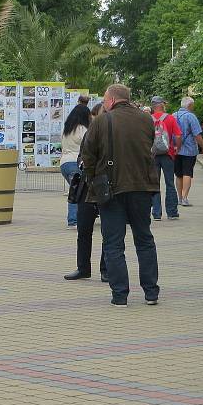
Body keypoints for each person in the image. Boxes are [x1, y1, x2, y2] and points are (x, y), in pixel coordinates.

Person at [81, 84, 160, 307]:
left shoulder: (102, 121)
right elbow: (150, 147)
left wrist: (92, 177)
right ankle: (151, 292)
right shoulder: (146, 119)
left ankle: (120, 295)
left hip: (111, 189)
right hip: (142, 188)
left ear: (112, 100)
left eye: (105, 100)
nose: (104, 104)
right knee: (144, 239)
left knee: (113, 244)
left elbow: (88, 154)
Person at [64, 102, 107, 282]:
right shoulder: (88, 132)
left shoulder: (112, 134)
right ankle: (83, 267)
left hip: (107, 186)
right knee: (84, 228)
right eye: (94, 116)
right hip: (88, 186)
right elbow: (83, 156)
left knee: (108, 230)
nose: (95, 119)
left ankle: (106, 269)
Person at [150, 96, 182, 221]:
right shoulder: (170, 118)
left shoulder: (148, 119)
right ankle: (172, 212)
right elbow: (178, 135)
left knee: (154, 183)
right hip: (168, 154)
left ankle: (157, 213)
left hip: (153, 156)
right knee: (169, 183)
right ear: (162, 104)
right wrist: (176, 148)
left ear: (152, 106)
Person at [60, 105, 90, 228]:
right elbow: (88, 145)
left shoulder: (67, 130)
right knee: (77, 191)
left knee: (74, 190)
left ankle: (75, 218)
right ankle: (73, 220)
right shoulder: (82, 129)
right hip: (75, 163)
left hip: (64, 163)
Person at [173, 96, 203, 207]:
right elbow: (197, 134)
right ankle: (185, 197)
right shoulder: (191, 117)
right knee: (187, 173)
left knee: (178, 174)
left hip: (176, 150)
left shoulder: (173, 115)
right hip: (189, 150)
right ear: (190, 105)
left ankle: (179, 198)